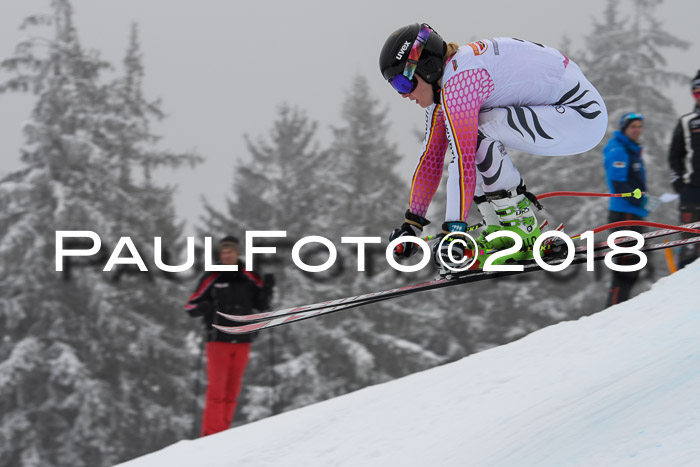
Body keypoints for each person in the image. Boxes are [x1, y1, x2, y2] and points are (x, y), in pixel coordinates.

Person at [379, 23, 608, 275]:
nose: (402, 94)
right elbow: (431, 159)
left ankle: (520, 229)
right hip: (565, 112)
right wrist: (413, 223)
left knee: (474, 132)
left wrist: (452, 231)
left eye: (403, 83)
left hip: (581, 115)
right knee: (465, 133)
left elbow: (462, 160)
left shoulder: (460, 80)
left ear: (428, 69)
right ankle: (501, 229)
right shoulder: (449, 84)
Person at [184, 235, 274, 436]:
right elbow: (190, 306)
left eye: (230, 251)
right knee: (217, 391)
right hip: (218, 340)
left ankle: (223, 435)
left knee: (232, 393)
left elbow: (261, 304)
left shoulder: (250, 276)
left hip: (243, 339)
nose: (227, 255)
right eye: (223, 252)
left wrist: (267, 289)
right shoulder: (212, 276)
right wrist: (204, 307)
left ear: (237, 253)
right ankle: (211, 436)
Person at [603, 112, 649, 306]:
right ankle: (613, 312)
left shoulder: (630, 149)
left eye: (639, 126)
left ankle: (618, 311)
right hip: (625, 214)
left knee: (632, 267)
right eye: (633, 127)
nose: (637, 130)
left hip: (633, 213)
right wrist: (639, 199)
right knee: (626, 266)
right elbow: (618, 183)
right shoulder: (619, 150)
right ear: (624, 129)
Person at [668, 69, 700, 269]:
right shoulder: (687, 121)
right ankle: (681, 283)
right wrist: (680, 184)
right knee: (689, 243)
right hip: (692, 191)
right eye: (696, 92)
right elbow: (674, 155)